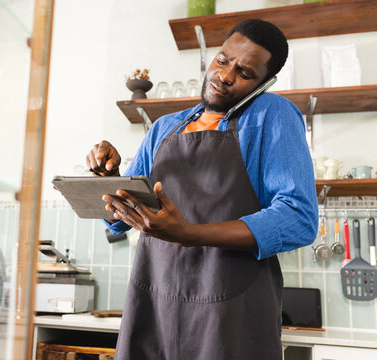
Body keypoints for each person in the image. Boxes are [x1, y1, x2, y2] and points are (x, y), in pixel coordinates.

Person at [85, 19, 318, 360]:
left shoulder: (273, 115)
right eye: (223, 60)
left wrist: (190, 233)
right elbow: (119, 221)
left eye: (245, 72)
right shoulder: (164, 127)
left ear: (265, 83)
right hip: (153, 304)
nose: (225, 75)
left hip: (230, 316)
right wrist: (110, 175)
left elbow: (298, 218)